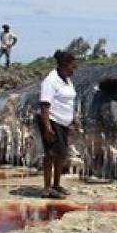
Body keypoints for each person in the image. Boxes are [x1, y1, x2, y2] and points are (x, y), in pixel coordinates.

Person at [39, 50, 79, 198]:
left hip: (64, 122)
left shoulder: (67, 80)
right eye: (72, 67)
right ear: (64, 65)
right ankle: (47, 188)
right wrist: (48, 128)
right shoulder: (51, 81)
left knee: (61, 154)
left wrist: (73, 117)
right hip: (52, 121)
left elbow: (68, 100)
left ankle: (56, 184)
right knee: (50, 154)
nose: (74, 70)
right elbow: (45, 106)